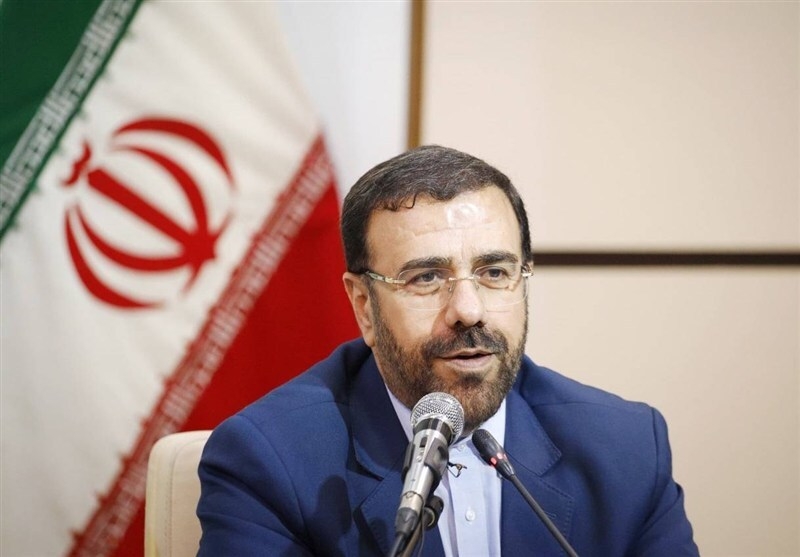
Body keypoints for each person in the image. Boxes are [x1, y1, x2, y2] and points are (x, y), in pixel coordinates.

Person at [196, 145, 699, 556]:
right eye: (426, 278)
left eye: (494, 272)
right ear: (364, 306)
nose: (468, 310)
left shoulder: (627, 449)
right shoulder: (271, 461)